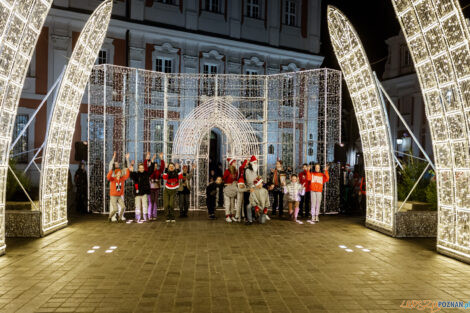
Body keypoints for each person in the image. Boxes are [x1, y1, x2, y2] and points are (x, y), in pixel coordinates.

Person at [129, 152, 156, 223]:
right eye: (140, 168)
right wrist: (131, 167)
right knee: (137, 205)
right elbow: (131, 176)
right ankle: (137, 217)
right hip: (137, 193)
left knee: (145, 205)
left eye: (142, 168)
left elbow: (151, 169)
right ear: (138, 168)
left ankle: (145, 217)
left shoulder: (146, 174)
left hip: (144, 193)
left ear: (144, 168)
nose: (141, 169)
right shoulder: (136, 174)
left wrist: (152, 161)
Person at [146, 152, 165, 221]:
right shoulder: (149, 171)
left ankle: (154, 215)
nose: (155, 167)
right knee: (151, 202)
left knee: (155, 202)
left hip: (156, 188)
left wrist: (161, 158)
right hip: (150, 189)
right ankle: (150, 215)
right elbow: (147, 167)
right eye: (154, 166)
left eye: (156, 166)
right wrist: (152, 159)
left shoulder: (158, 171)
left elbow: (162, 167)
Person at [223, 158, 238, 222]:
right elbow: (223, 179)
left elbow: (235, 180)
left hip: (233, 189)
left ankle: (232, 215)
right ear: (231, 164)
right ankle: (227, 216)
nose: (236, 164)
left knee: (232, 203)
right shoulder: (227, 171)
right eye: (234, 163)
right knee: (227, 203)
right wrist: (227, 184)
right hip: (227, 189)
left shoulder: (236, 171)